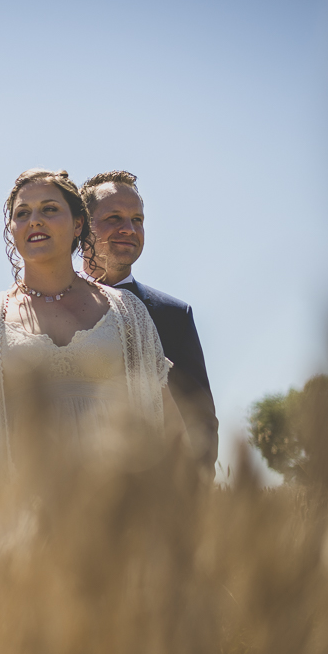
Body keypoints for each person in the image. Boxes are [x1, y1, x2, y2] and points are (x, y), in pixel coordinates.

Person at [0, 169, 187, 523]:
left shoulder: (127, 313)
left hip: (116, 514)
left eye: (50, 209)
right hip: (17, 520)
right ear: (12, 229)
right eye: (22, 213)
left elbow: (170, 429)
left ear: (79, 225)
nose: (34, 220)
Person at [80, 170, 219, 479]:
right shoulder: (42, 309)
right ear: (80, 227)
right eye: (114, 218)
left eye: (137, 220)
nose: (129, 229)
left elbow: (200, 421)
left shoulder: (174, 315)